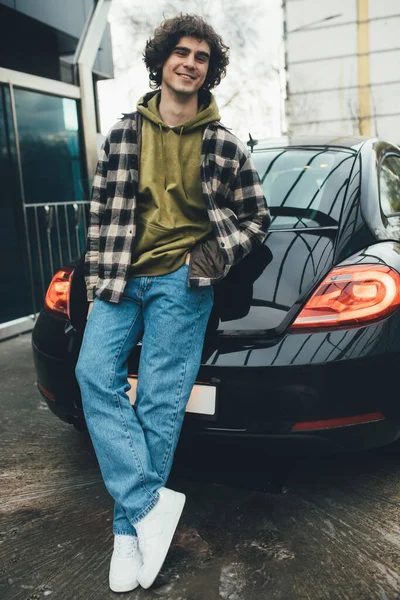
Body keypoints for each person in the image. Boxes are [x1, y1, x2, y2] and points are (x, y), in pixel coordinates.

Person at [75, 13, 270, 593]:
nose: (189, 62)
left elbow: (256, 217)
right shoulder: (121, 134)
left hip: (182, 285)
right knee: (92, 374)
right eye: (180, 52)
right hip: (121, 277)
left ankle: (128, 533)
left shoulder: (224, 144)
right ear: (161, 61)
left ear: (210, 71)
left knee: (160, 404)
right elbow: (101, 211)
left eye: (202, 56)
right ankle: (147, 505)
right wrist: (97, 277)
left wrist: (206, 259)